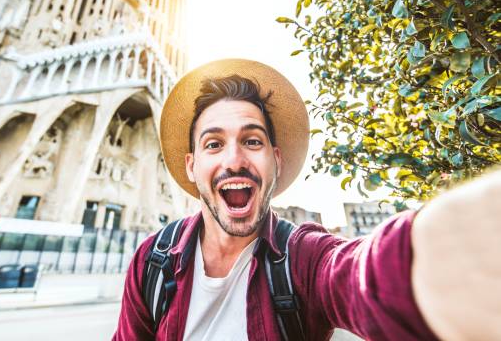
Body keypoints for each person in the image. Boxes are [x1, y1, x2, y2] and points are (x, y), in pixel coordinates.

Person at [113, 59, 501, 340]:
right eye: (214, 144)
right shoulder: (152, 262)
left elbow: (364, 274)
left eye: (252, 141)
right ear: (192, 165)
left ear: (275, 161)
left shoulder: (303, 260)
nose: (234, 160)